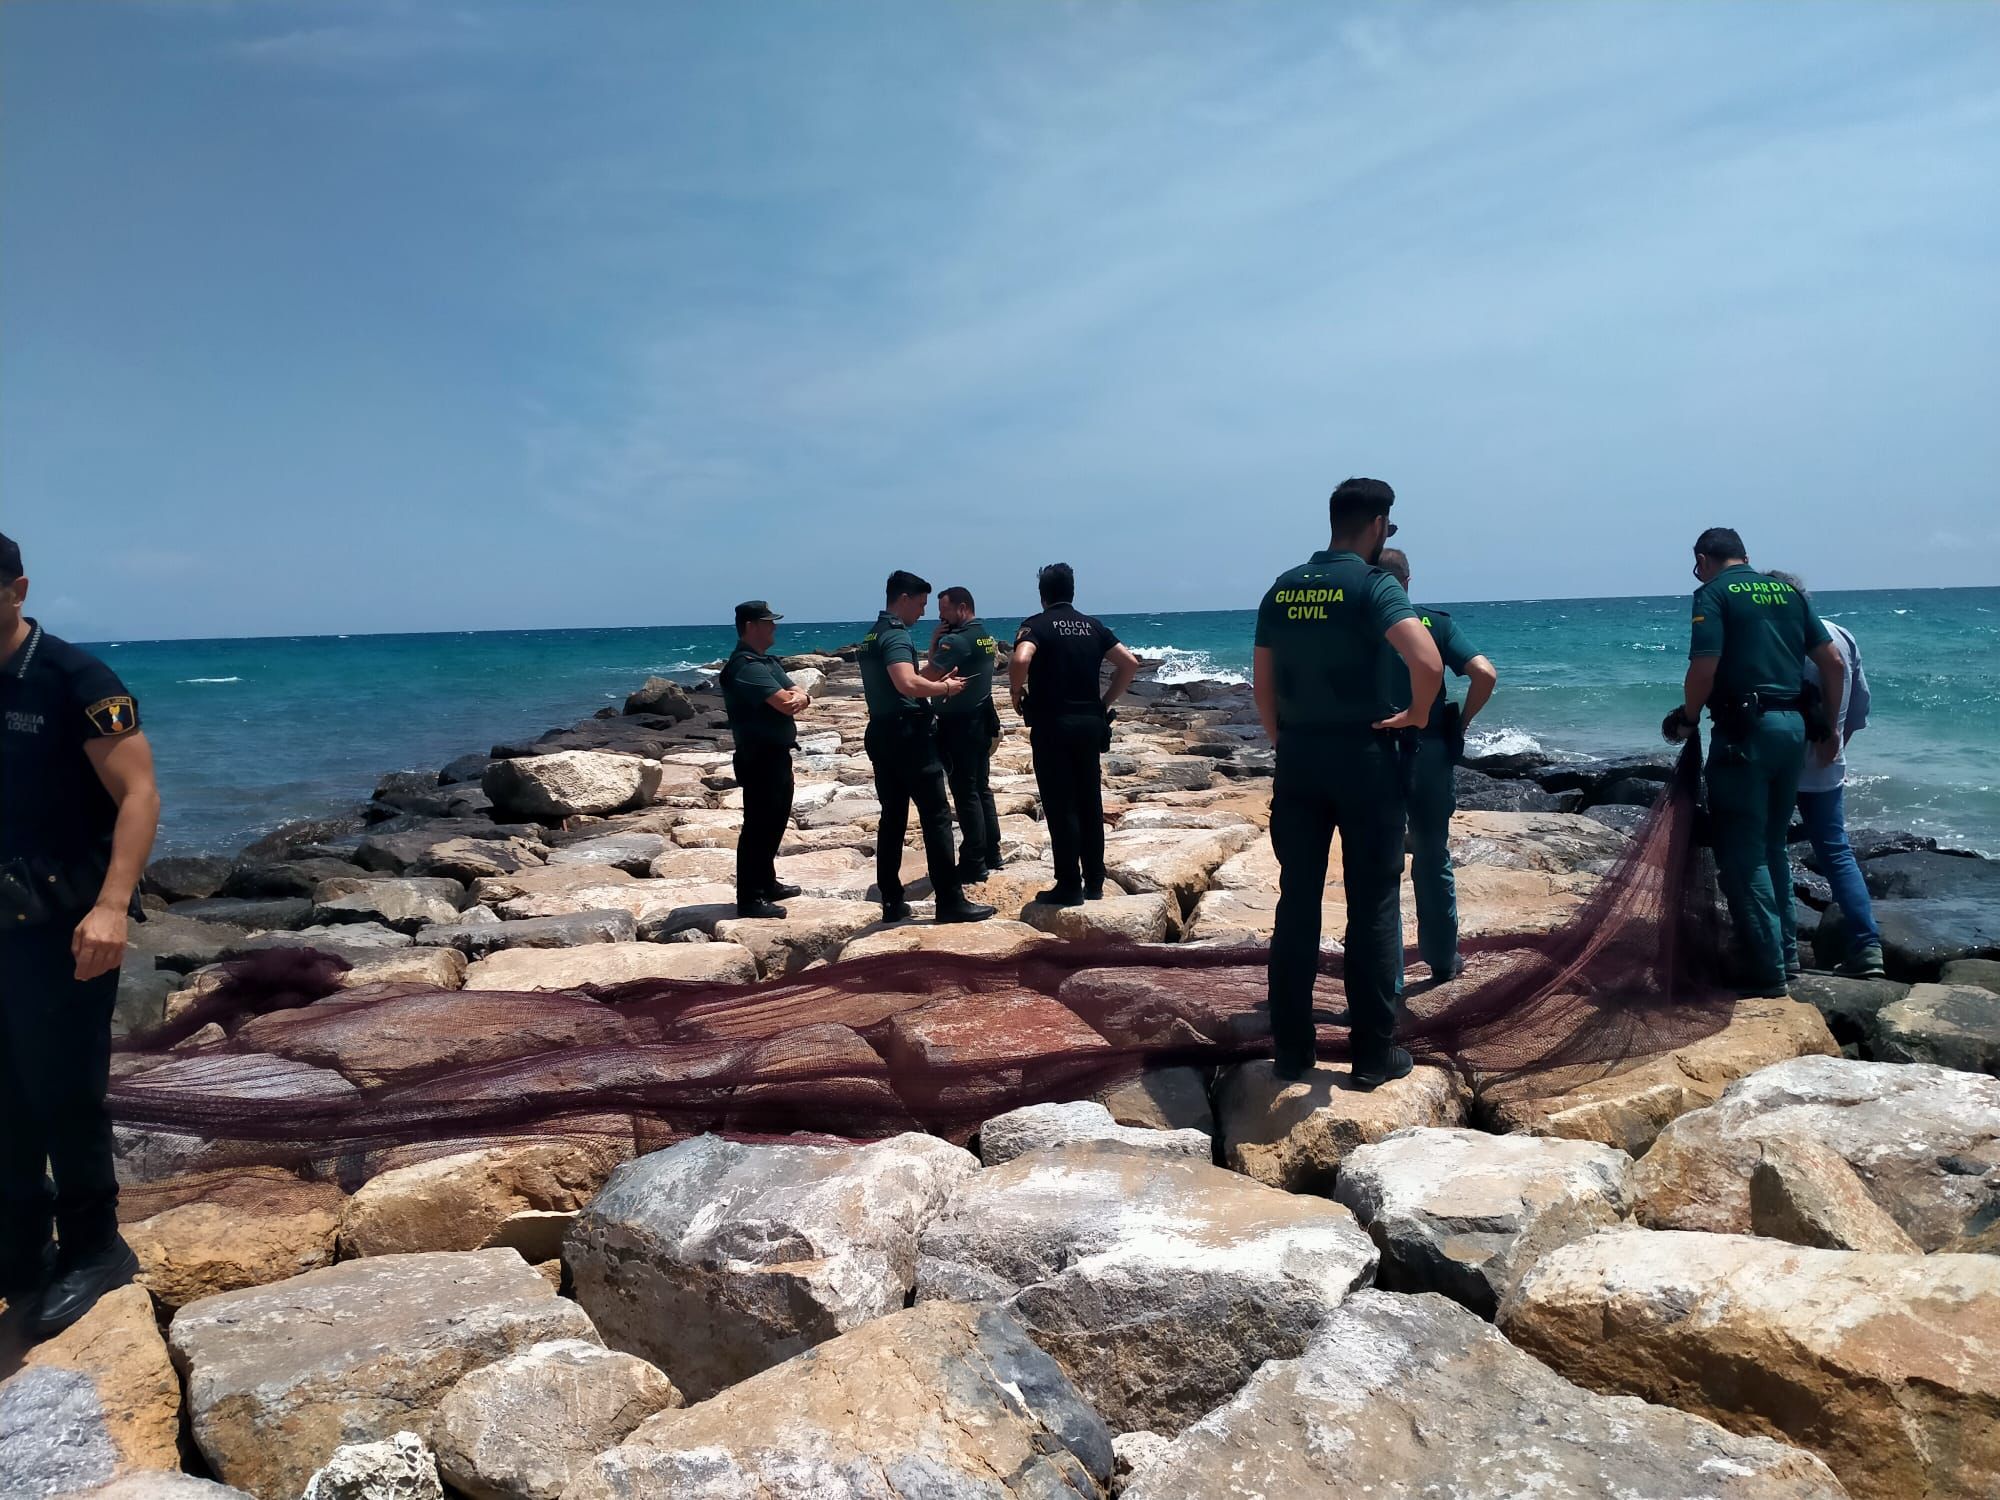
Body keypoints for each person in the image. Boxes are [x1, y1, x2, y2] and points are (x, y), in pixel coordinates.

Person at [0, 531, 162, 1336]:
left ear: (18, 588)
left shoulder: (75, 679)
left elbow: (139, 795)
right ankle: (20, 1249)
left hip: (67, 919)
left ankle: (96, 1248)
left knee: (63, 1088)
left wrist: (111, 906)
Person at [1253, 479, 1442, 1088]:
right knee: (1373, 905)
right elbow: (1429, 662)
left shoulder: (1281, 588)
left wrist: (1283, 738)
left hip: (1300, 759)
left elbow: (1263, 681)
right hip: (1366, 760)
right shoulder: (1375, 584)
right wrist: (1416, 713)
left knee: (1298, 902)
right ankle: (1371, 1056)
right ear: (1379, 523)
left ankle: (1291, 1050)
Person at [1664, 530, 1843, 997]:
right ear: (1745, 555)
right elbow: (1833, 664)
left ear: (1702, 560)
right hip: (1792, 730)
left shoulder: (1713, 594)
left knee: (1743, 855)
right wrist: (1833, 728)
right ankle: (1786, 957)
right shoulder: (1788, 592)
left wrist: (1687, 718)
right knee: (1773, 846)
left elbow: (1704, 667)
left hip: (1746, 735)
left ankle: (1767, 974)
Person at [1378, 547, 1498, 985]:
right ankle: (1444, 959)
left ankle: (1385, 978)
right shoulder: (1435, 622)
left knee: (1380, 866)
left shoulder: (1361, 623)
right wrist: (1461, 724)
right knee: (1432, 855)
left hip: (1376, 752)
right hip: (1428, 749)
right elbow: (1484, 674)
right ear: (1407, 583)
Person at [858, 571, 996, 925]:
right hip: (909, 736)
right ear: (903, 599)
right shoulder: (895, 636)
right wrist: (945, 690)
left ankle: (891, 899)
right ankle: (950, 901)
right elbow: (906, 683)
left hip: (880, 732)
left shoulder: (872, 635)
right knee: (936, 817)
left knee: (892, 818)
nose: (922, 613)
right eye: (920, 605)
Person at [1770, 572, 1885, 978]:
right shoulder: (1841, 635)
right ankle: (1867, 948)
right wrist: (1835, 747)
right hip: (1825, 763)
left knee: (1772, 851)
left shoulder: (1774, 639)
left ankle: (1781, 952)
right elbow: (1858, 709)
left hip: (1776, 763)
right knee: (1836, 852)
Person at [1008, 563, 1140, 907]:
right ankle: (1094, 878)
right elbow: (1129, 664)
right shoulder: (1092, 626)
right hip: (1089, 724)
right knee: (1089, 800)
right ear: (1072, 591)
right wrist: (1105, 701)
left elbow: (1021, 658)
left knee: (1060, 803)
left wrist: (1015, 691)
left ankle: (1068, 883)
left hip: (1053, 726)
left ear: (1042, 595)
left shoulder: (1035, 625)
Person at [720, 601, 811, 919]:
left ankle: (767, 881)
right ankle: (749, 898)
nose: (774, 627)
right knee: (757, 827)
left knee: (775, 821)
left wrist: (801, 696)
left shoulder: (765, 662)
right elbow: (786, 702)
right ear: (750, 626)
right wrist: (797, 698)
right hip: (758, 757)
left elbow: (796, 691)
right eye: (768, 622)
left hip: (778, 754)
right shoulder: (745, 666)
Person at [925, 586, 1003, 884]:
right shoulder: (983, 635)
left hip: (959, 724)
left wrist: (936, 641)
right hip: (981, 720)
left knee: (965, 790)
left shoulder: (957, 641)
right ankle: (992, 851)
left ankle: (973, 859)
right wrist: (937, 640)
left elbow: (928, 676)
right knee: (980, 787)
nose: (940, 617)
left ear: (961, 608)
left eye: (943, 611)